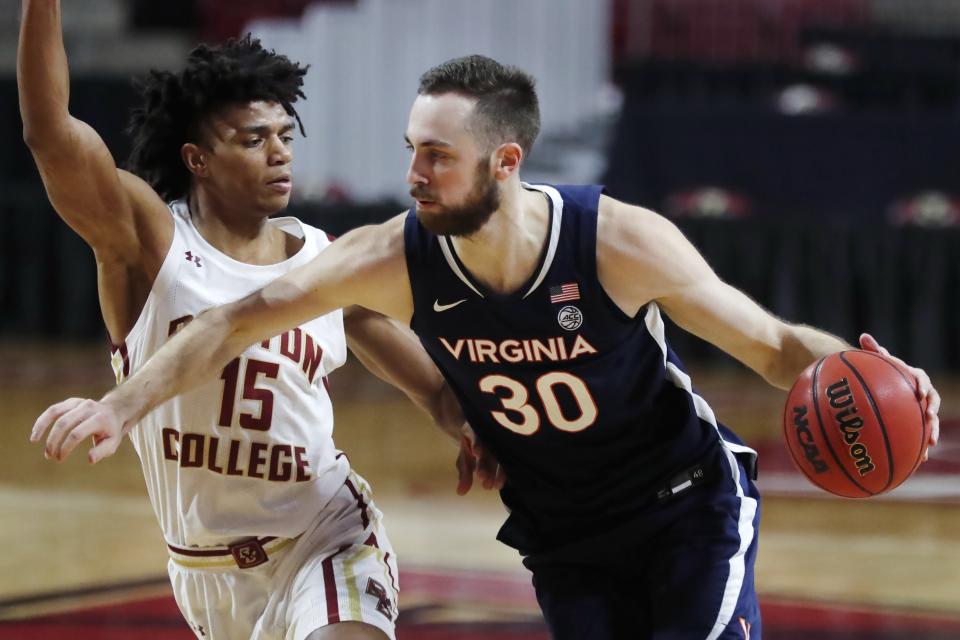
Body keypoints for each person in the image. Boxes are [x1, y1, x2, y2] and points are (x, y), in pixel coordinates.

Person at [32, 54, 941, 639]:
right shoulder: (394, 257)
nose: (413, 174)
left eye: (437, 156)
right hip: (564, 532)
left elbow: (780, 347)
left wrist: (875, 375)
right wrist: (118, 403)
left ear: (504, 164)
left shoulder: (615, 241)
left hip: (683, 512)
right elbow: (232, 321)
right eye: (411, 150)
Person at [18, 3, 495, 639]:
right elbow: (50, 132)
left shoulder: (326, 265)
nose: (279, 154)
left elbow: (435, 390)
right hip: (204, 573)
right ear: (197, 159)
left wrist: (476, 429)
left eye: (284, 136)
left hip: (325, 536)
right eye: (253, 139)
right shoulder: (149, 245)